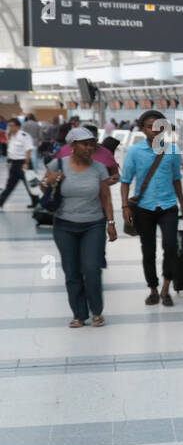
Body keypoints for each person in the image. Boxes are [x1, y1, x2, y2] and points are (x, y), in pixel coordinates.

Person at [44, 127, 117, 327]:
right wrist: (48, 181)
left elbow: (106, 197)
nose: (90, 148)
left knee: (92, 268)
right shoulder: (57, 164)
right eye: (85, 144)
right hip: (64, 226)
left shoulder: (99, 168)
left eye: (92, 143)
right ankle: (79, 314)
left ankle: (97, 311)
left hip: (93, 224)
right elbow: (44, 185)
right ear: (72, 146)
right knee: (72, 271)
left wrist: (111, 223)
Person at [120, 110, 183, 307]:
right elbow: (125, 181)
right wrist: (125, 206)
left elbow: (177, 180)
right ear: (142, 129)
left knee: (171, 246)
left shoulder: (172, 151)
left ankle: (166, 287)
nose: (154, 131)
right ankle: (153, 289)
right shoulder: (134, 152)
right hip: (144, 208)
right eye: (150, 127)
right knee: (148, 251)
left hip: (168, 206)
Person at [0, 117, 36, 209]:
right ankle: (1, 202)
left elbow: (28, 150)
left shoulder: (24, 136)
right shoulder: (13, 136)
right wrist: (9, 161)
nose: (10, 128)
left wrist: (26, 163)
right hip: (14, 164)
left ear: (18, 126)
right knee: (9, 185)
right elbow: (12, 150)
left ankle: (37, 202)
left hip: (23, 163)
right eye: (9, 126)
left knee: (30, 185)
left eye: (12, 126)